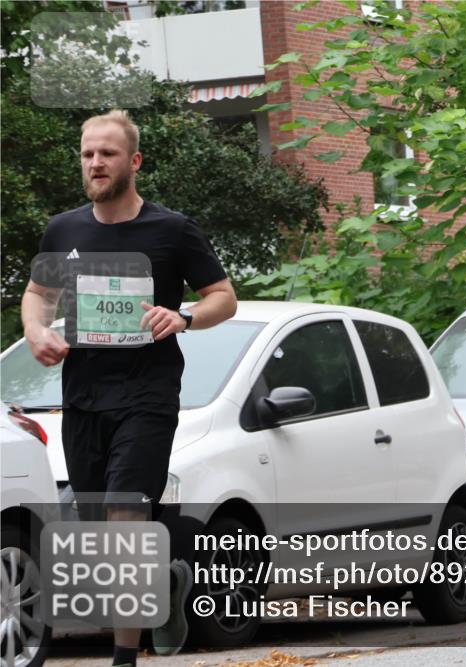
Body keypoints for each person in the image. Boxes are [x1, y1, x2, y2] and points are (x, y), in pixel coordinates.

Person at [21, 110, 237, 665]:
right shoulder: (63, 229)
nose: (96, 162)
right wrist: (36, 330)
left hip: (148, 393)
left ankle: (124, 659)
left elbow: (223, 296)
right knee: (99, 523)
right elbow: (37, 294)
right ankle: (166, 578)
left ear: (133, 161)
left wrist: (183, 317)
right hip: (84, 395)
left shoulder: (172, 230)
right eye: (88, 154)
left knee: (123, 515)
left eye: (108, 154)